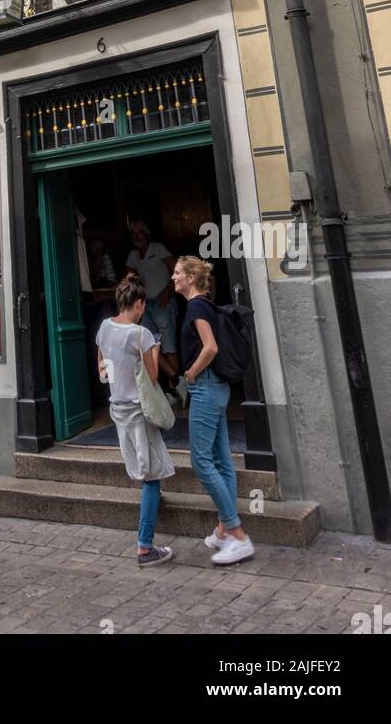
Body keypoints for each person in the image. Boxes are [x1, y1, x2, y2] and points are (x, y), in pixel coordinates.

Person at [172, 255, 254, 566]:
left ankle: (237, 534)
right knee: (222, 460)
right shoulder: (204, 303)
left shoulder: (195, 306)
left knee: (201, 460)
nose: (174, 278)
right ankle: (223, 529)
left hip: (205, 386)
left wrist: (191, 373)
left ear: (192, 277)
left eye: (178, 273)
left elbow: (210, 347)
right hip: (217, 387)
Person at [97, 275, 175, 566]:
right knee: (152, 476)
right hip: (139, 410)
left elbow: (103, 367)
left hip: (118, 407)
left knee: (142, 465)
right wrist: (154, 348)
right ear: (140, 303)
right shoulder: (141, 334)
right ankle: (145, 547)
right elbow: (152, 376)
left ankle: (152, 506)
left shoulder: (104, 328)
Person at [126, 219, 187, 407]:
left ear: (147, 233)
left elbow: (177, 270)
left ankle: (174, 393)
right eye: (134, 233)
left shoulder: (158, 248)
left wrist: (167, 292)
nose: (137, 236)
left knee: (168, 346)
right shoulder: (133, 255)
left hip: (164, 303)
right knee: (148, 344)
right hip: (146, 305)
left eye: (140, 232)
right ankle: (176, 380)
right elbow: (128, 280)